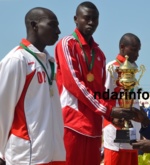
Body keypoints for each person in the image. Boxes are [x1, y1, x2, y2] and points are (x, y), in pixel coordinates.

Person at [55, 2, 134, 165]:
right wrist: (108, 110)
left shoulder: (99, 54)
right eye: (87, 18)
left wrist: (112, 116)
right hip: (71, 124)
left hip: (94, 127)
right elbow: (74, 84)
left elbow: (101, 90)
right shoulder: (67, 44)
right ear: (76, 19)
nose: (91, 22)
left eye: (95, 19)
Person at [0, 7, 66, 165]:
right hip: (27, 155)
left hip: (53, 152)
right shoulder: (17, 60)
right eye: (52, 25)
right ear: (34, 25)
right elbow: (2, 107)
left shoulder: (49, 62)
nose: (58, 31)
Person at [103, 33, 142, 165]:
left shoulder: (135, 69)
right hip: (116, 131)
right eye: (134, 49)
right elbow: (105, 97)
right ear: (122, 47)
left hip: (133, 131)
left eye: (138, 50)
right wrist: (111, 119)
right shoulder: (112, 67)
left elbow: (135, 101)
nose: (137, 54)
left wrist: (140, 128)